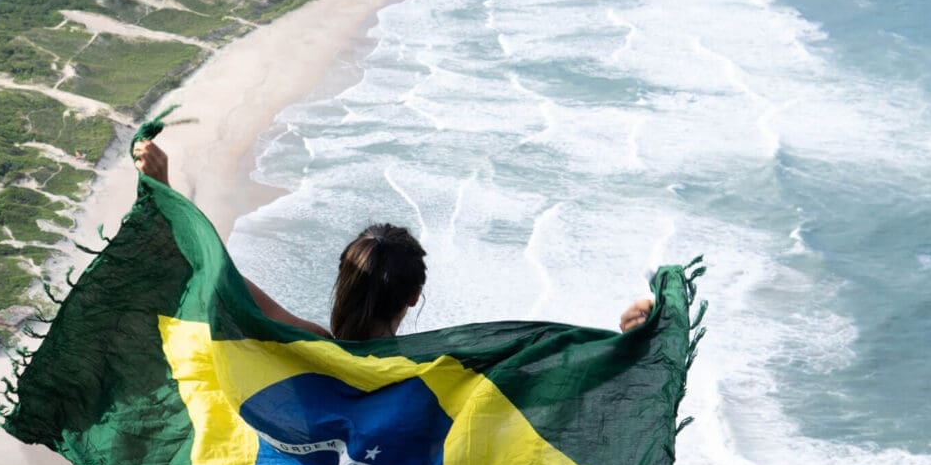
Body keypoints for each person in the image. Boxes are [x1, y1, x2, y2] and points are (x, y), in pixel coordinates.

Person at [132, 140, 652, 338]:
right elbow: (547, 379)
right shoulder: (434, 371)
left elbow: (216, 278)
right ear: (413, 298)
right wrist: (626, 341)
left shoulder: (307, 346)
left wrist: (164, 190)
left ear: (341, 278)